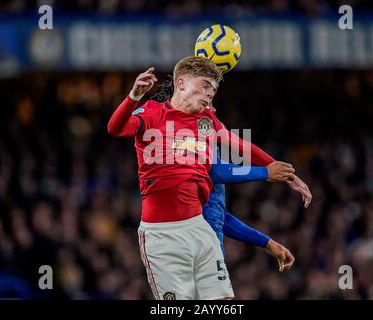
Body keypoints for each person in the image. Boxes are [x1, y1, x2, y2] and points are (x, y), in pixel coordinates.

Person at [107, 56, 296, 300]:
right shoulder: (153, 112)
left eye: (213, 90)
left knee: (223, 301)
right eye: (206, 85)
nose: (210, 95)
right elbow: (115, 128)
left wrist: (280, 170)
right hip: (162, 235)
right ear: (181, 83)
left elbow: (239, 146)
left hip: (199, 227)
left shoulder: (207, 122)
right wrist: (133, 96)